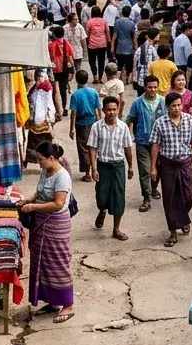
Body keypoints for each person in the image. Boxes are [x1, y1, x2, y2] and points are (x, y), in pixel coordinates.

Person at [23, 142, 75, 324]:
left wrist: (33, 207)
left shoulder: (62, 177)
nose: (39, 163)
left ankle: (67, 304)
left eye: (40, 160)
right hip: (41, 222)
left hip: (56, 224)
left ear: (52, 158)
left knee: (58, 262)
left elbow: (58, 204)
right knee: (42, 262)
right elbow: (39, 192)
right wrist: (27, 199)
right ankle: (53, 300)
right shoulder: (46, 171)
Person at [150, 91, 192, 247]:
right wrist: (153, 167)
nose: (177, 108)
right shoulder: (160, 123)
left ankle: (183, 217)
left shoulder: (190, 120)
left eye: (179, 105)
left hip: (185, 162)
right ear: (167, 107)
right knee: (170, 199)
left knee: (189, 195)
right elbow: (155, 145)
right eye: (174, 106)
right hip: (168, 164)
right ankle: (173, 232)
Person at [87, 96, 134, 241]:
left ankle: (116, 229)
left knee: (119, 197)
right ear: (103, 111)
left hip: (118, 165)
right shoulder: (96, 127)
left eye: (114, 109)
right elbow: (93, 148)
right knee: (101, 196)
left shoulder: (123, 127)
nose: (112, 112)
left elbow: (127, 148)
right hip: (103, 166)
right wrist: (94, 168)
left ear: (118, 110)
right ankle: (102, 209)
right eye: (109, 110)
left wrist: (130, 166)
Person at [128, 75, 165, 209]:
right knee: (144, 170)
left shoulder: (163, 101)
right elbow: (130, 119)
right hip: (142, 141)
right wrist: (126, 136)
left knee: (158, 169)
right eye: (150, 87)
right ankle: (147, 197)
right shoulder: (137, 103)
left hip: (160, 142)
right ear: (144, 87)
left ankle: (154, 188)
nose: (153, 90)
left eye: (155, 87)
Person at [67, 70, 102, 181]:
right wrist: (100, 121)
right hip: (93, 121)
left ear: (77, 80)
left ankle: (87, 173)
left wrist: (71, 128)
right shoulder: (93, 92)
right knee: (94, 146)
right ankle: (95, 169)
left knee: (83, 148)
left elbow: (73, 113)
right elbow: (98, 108)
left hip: (81, 124)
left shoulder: (76, 95)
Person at [47, 25, 75, 118]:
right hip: (64, 70)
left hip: (53, 70)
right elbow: (70, 56)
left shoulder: (50, 45)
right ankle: (64, 108)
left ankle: (57, 109)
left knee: (54, 90)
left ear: (54, 34)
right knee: (63, 90)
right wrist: (72, 69)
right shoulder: (65, 43)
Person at [85, 6, 110, 83]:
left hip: (92, 44)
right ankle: (100, 77)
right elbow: (107, 32)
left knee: (92, 61)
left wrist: (87, 42)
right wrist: (108, 41)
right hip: (102, 44)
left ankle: (95, 76)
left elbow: (87, 33)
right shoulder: (104, 21)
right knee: (101, 61)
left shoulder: (90, 22)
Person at [112, 3, 136, 74]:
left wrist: (112, 46)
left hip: (119, 48)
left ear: (122, 12)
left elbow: (114, 36)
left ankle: (120, 78)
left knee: (119, 65)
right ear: (129, 13)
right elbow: (134, 37)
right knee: (129, 66)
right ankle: (127, 79)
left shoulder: (117, 22)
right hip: (129, 48)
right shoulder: (132, 23)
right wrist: (135, 47)